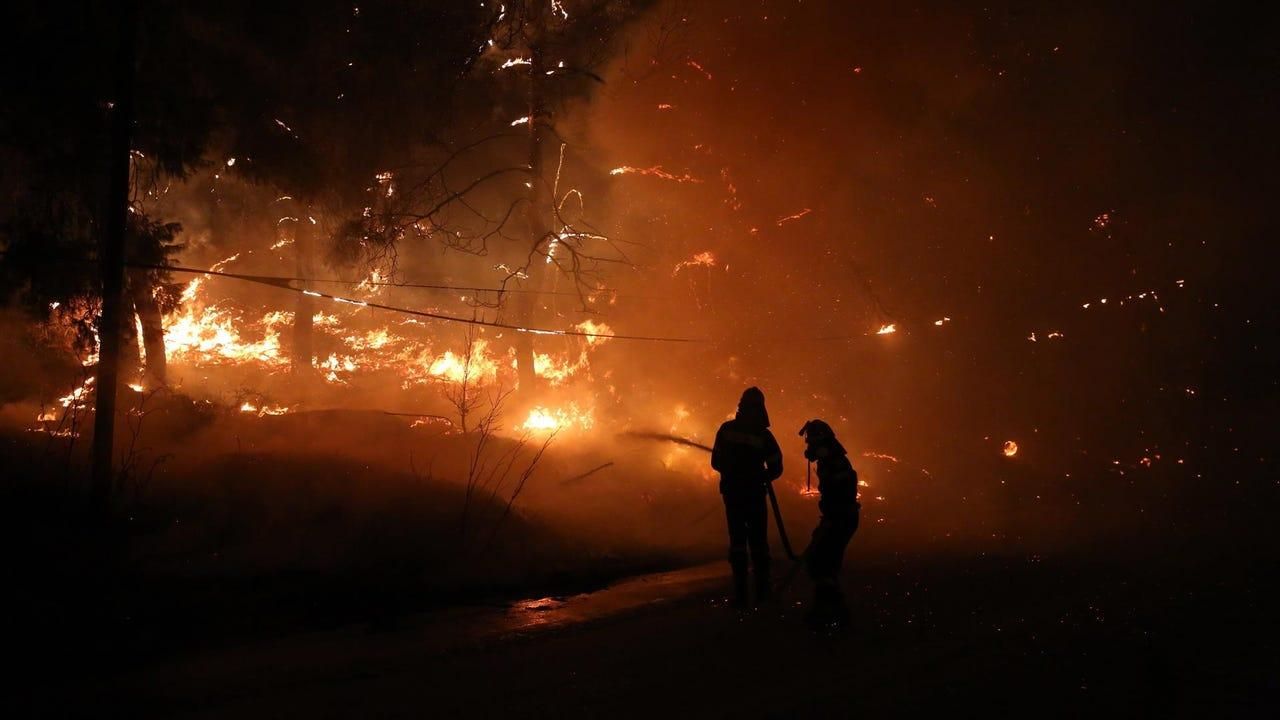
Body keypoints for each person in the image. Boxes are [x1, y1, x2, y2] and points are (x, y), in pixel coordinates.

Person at [711, 387, 783, 607]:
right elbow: (776, 466)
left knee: (738, 544)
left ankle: (742, 596)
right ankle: (762, 594)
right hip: (754, 495)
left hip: (733, 495)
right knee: (758, 543)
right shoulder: (764, 436)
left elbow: (715, 462)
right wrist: (761, 476)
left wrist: (732, 470)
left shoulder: (727, 429)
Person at [798, 419, 861, 629]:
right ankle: (832, 609)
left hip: (840, 518)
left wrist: (833, 517)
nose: (808, 448)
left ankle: (829, 612)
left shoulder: (834, 462)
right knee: (822, 562)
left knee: (822, 561)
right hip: (838, 517)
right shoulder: (831, 459)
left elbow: (844, 491)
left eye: (810, 443)